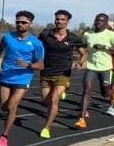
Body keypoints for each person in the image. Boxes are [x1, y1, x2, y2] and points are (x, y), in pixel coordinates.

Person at [0, 11, 44, 146]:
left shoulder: (36, 43)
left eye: (23, 22)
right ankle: (10, 112)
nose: (20, 24)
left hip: (23, 77)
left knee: (11, 106)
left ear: (30, 24)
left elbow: (41, 64)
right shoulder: (8, 37)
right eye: (18, 22)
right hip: (6, 75)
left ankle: (4, 136)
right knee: (4, 107)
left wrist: (28, 64)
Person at [36, 10, 86, 138]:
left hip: (63, 72)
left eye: (63, 19)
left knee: (54, 100)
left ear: (68, 22)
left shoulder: (73, 38)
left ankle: (47, 128)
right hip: (46, 71)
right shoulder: (46, 33)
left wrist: (80, 63)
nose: (59, 21)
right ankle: (60, 93)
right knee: (46, 102)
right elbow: (36, 47)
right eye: (57, 19)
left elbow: (84, 53)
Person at [75, 14, 114, 128]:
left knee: (105, 94)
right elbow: (84, 50)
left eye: (101, 21)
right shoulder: (87, 34)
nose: (98, 22)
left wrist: (105, 47)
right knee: (87, 90)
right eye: (97, 20)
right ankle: (81, 119)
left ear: (106, 24)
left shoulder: (112, 35)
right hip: (91, 67)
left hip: (105, 68)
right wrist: (80, 62)